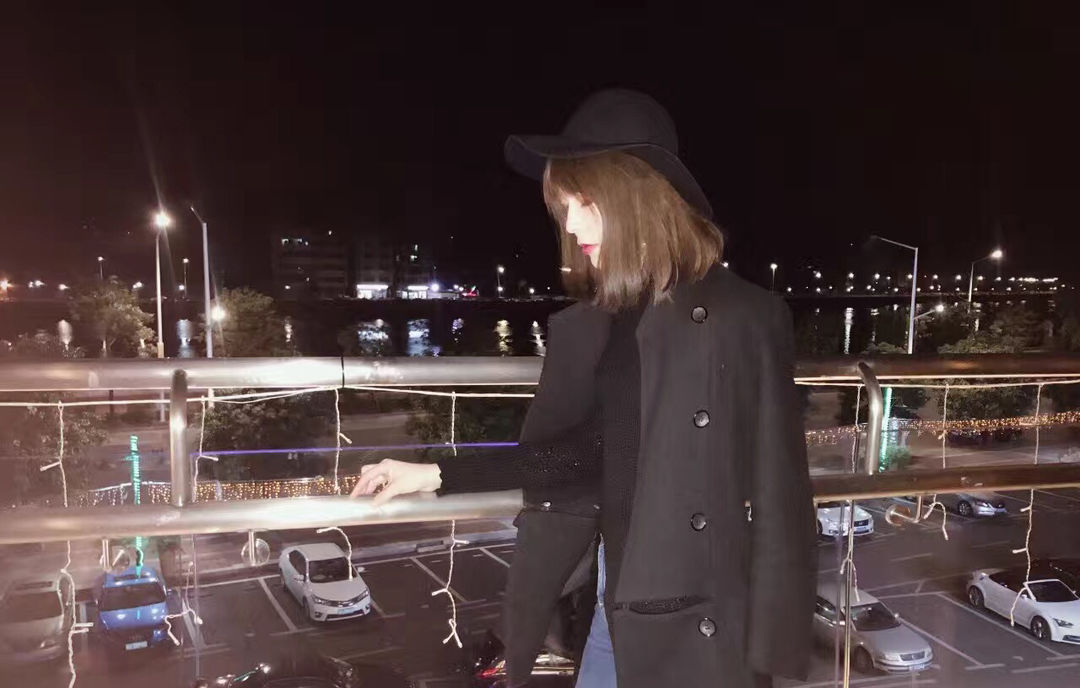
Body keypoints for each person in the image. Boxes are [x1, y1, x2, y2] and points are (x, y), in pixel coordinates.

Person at [351, 89, 815, 688]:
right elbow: (588, 453)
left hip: (698, 623)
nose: (569, 224)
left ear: (637, 197)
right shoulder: (610, 316)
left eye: (584, 203)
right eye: (563, 207)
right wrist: (437, 473)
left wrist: (770, 656)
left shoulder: (744, 317)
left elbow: (782, 495)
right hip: (615, 603)